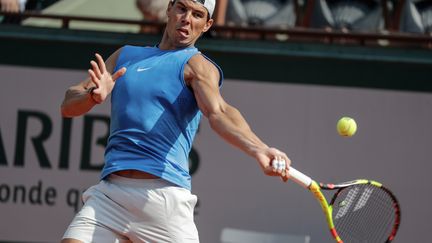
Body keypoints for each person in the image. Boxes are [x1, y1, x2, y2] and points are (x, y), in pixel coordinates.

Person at [60, 0, 292, 242]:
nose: (187, 19)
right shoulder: (125, 56)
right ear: (169, 9)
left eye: (197, 15)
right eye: (182, 8)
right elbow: (67, 106)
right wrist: (91, 97)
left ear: (207, 25)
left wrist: (259, 149)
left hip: (164, 199)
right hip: (110, 195)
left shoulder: (198, 66)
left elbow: (219, 112)